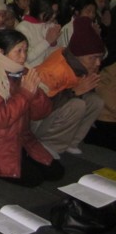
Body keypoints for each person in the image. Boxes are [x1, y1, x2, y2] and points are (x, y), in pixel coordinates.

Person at [0, 30, 64, 187]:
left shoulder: (23, 72)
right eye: (18, 51)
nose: (23, 56)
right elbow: (1, 119)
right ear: (1, 52)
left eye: (25, 50)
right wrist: (26, 93)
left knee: (56, 173)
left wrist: (34, 93)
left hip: (21, 138)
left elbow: (41, 113)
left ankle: (23, 157)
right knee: (34, 179)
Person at [33, 16, 105, 156]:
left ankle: (70, 142)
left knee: (96, 102)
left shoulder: (81, 65)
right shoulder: (54, 70)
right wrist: (73, 92)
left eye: (99, 57)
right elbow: (37, 109)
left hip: (55, 110)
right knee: (77, 105)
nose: (98, 63)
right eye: (93, 58)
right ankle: (48, 147)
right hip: (35, 123)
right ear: (78, 55)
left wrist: (81, 89)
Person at [16, 0, 61, 67]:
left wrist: (53, 44)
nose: (53, 16)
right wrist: (47, 42)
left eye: (55, 12)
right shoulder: (23, 28)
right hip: (31, 72)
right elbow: (25, 58)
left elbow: (55, 55)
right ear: (39, 9)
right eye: (50, 12)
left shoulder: (50, 25)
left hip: (48, 70)